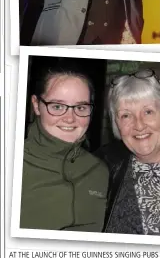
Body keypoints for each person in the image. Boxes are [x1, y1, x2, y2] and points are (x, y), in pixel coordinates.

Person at [97, 69, 160, 236]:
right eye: (126, 116)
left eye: (148, 112)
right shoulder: (102, 167)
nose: (139, 125)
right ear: (116, 123)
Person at [20, 67, 109, 231]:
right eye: (57, 106)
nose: (69, 118)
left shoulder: (100, 171)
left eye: (81, 108)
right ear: (36, 105)